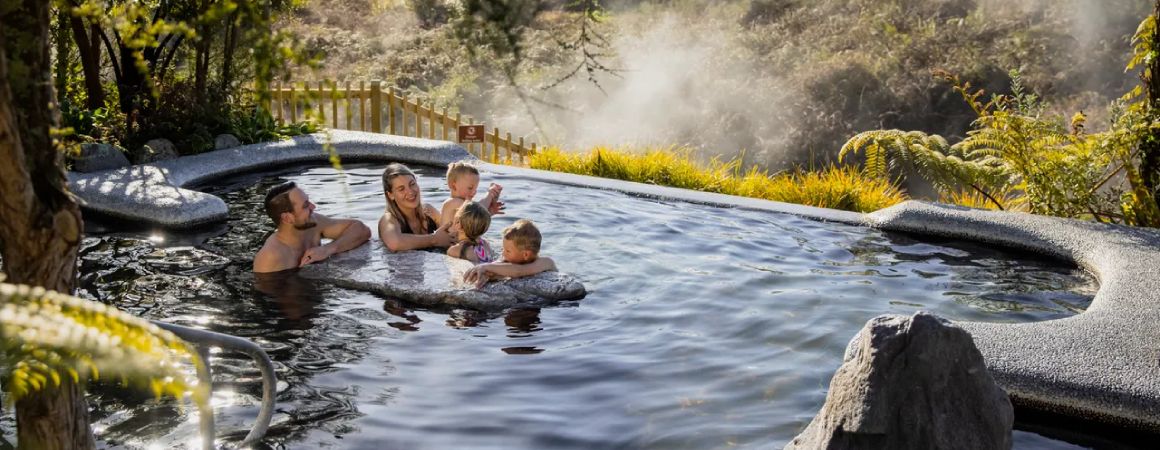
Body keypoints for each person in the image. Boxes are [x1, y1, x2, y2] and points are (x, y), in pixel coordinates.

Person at [253, 181, 371, 273]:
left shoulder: (313, 224)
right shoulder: (271, 257)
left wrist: (328, 249)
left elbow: (362, 230)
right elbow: (267, 294)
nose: (313, 207)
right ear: (287, 218)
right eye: (305, 205)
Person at [378, 163, 457, 252]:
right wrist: (434, 239)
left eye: (412, 184)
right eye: (401, 189)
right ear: (390, 195)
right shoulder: (388, 219)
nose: (410, 192)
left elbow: (452, 234)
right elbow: (395, 243)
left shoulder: (428, 211)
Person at [463, 219, 557, 288]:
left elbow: (519, 271)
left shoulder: (546, 262)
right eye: (503, 249)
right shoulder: (508, 259)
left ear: (526, 255)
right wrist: (485, 275)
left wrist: (485, 267)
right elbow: (497, 266)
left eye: (508, 251)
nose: (503, 253)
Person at [439, 161, 504, 227]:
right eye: (470, 188)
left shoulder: (464, 205)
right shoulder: (453, 202)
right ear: (454, 186)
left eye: (475, 188)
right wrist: (490, 194)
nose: (474, 192)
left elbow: (474, 220)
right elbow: (478, 210)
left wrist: (489, 212)